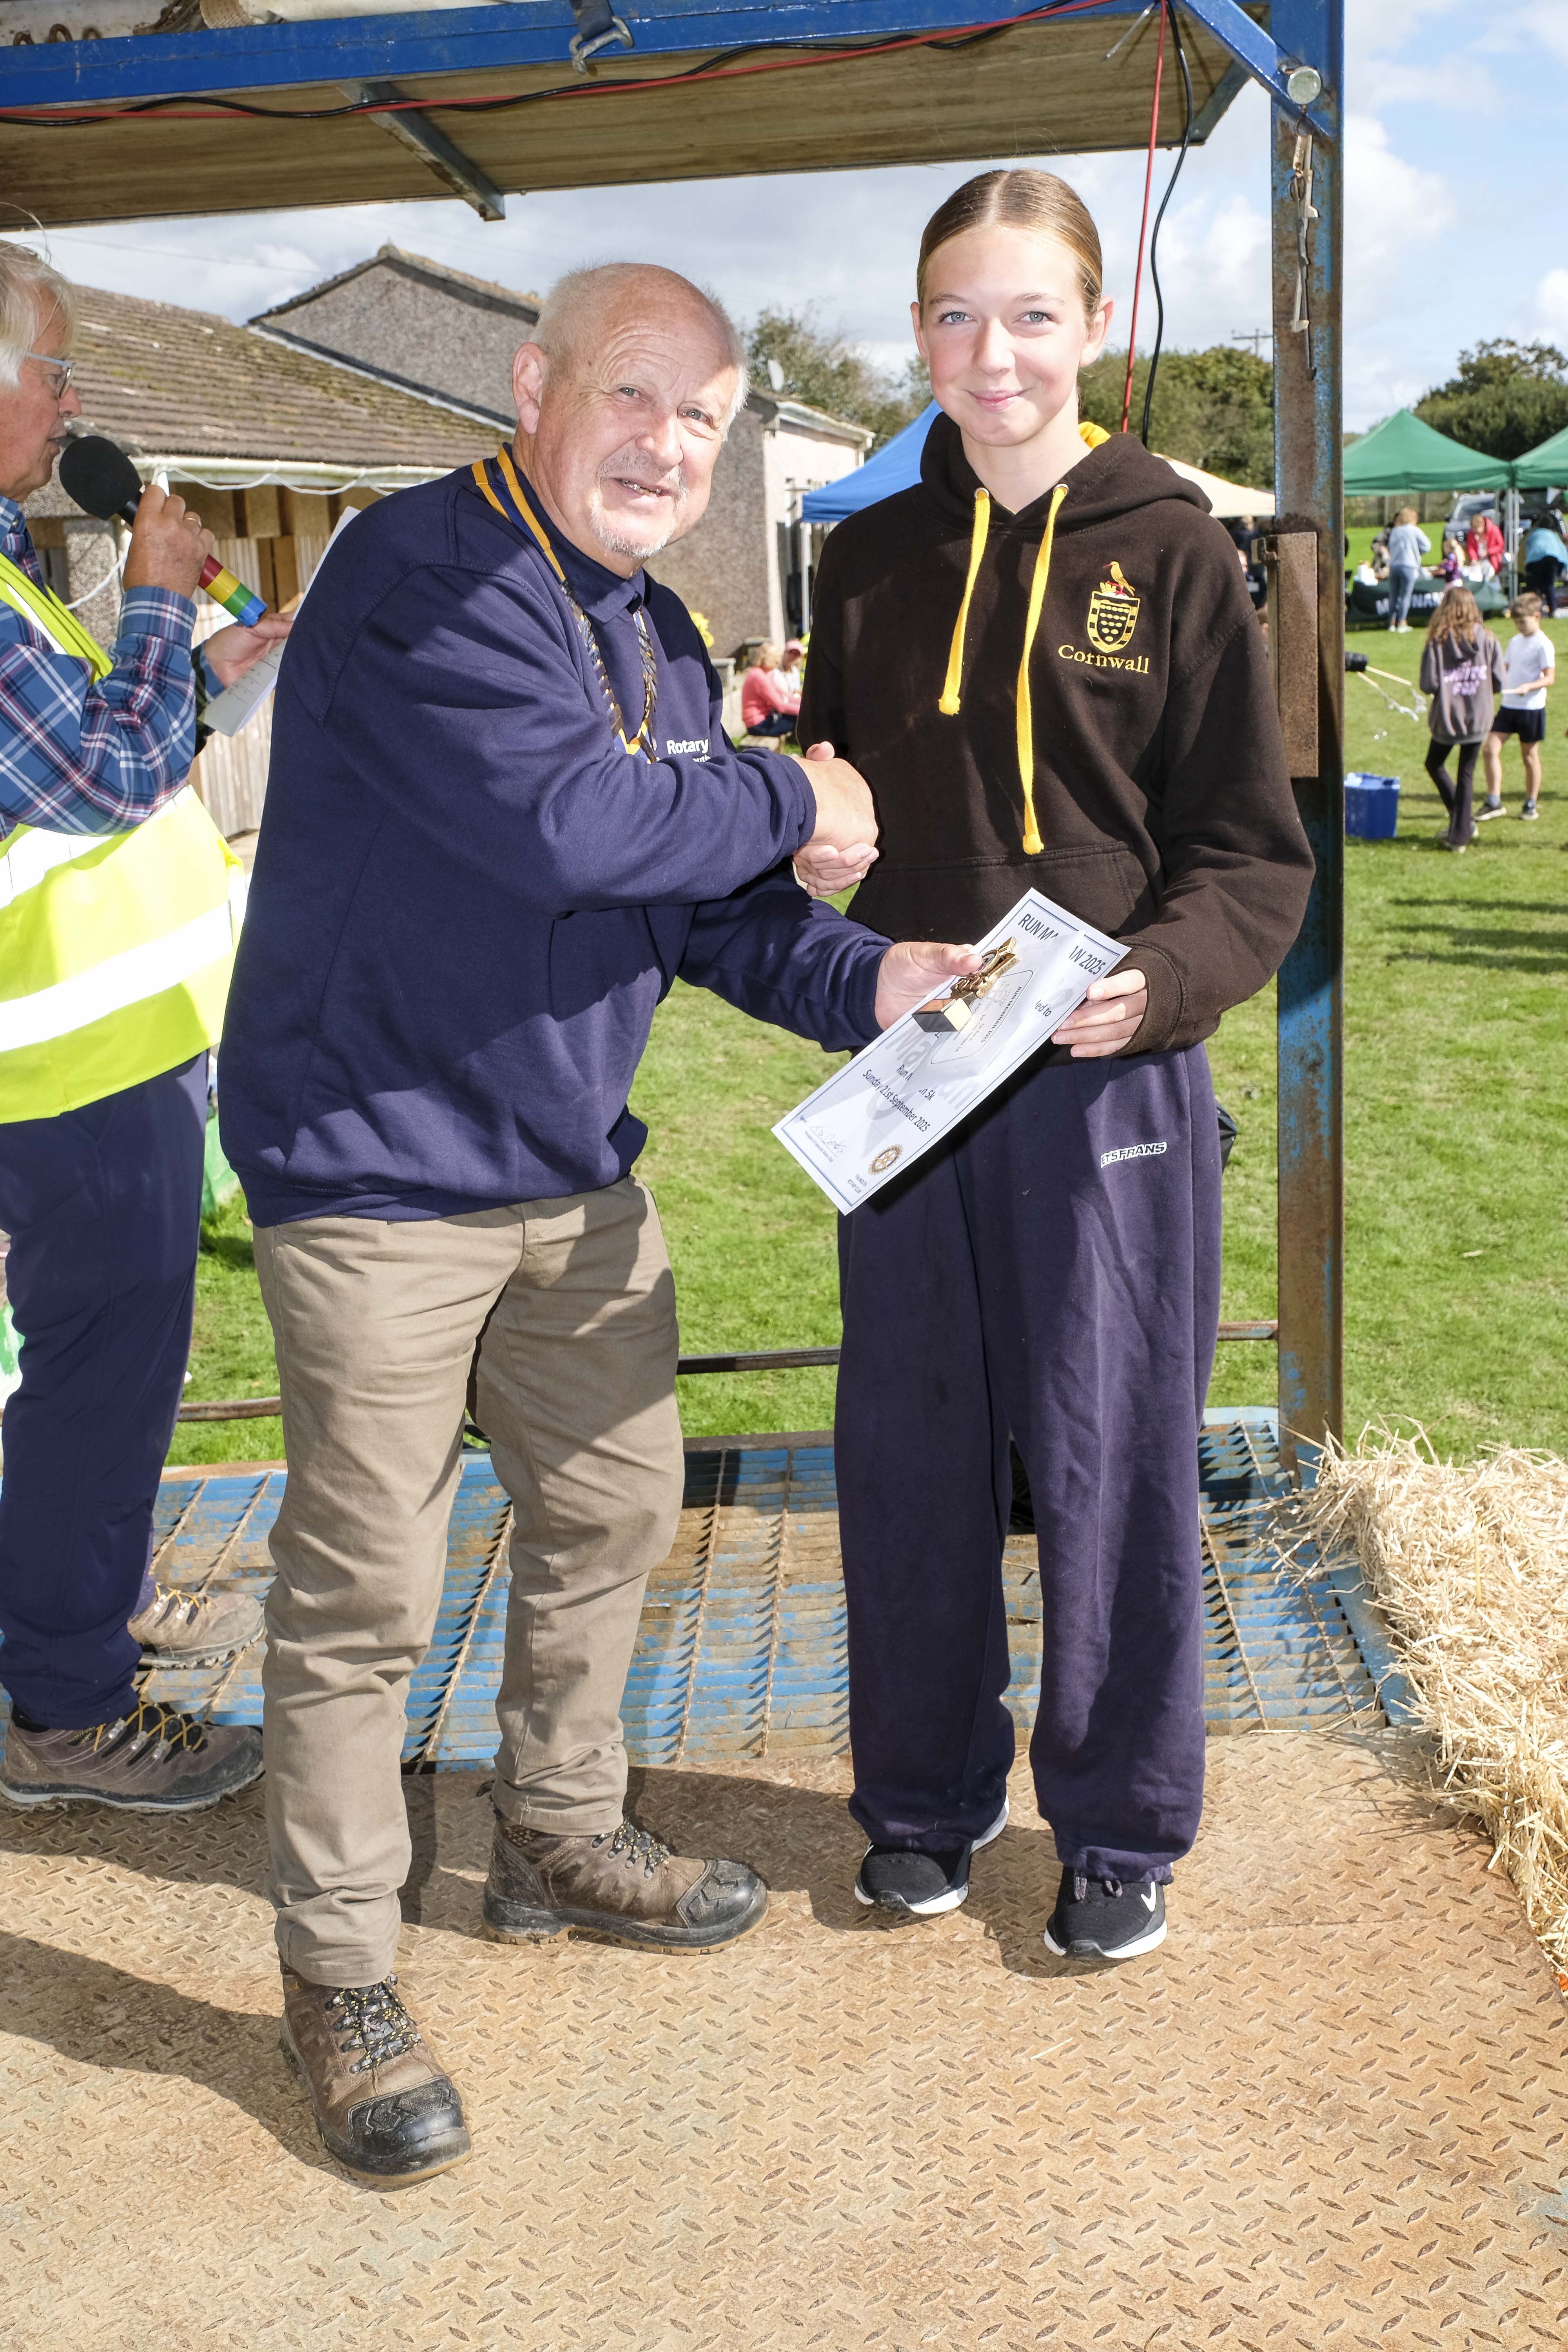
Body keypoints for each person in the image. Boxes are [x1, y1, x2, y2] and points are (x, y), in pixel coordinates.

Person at [218, 260, 969, 2189]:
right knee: (364, 1592)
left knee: (618, 1509)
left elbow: (699, 904)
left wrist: (872, 984)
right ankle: (340, 1973)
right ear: (532, 385)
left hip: (565, 1166)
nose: (665, 444)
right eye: (631, 395)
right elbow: (574, 826)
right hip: (374, 1166)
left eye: (700, 419)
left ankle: (554, 1829)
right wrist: (787, 784)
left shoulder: (656, 631)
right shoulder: (427, 570)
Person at [794, 169, 1312, 1964]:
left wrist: (1156, 985)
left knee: (1109, 1453)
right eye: (955, 314)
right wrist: (810, 842)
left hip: (1108, 1078)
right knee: (907, 1447)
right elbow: (833, 805)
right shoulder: (864, 559)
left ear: (1094, 324)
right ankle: (919, 1797)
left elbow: (1247, 858)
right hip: (919, 1072)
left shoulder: (1172, 550)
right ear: (916, 333)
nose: (991, 351)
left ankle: (1116, 1821)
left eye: (1029, 313)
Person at [0, 247, 287, 1814]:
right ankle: (65, 1709)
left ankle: (85, 1603)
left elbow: (99, 749)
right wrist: (165, 602)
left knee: (105, 1377)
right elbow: (100, 783)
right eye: (54, 372)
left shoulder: (17, 568)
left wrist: (202, 666)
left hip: (117, 1052)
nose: (72, 406)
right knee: (100, 1379)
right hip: (73, 1069)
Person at [1418, 586, 1504, 851]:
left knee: (1435, 764)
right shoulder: (1488, 638)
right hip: (1479, 718)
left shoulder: (1437, 641)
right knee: (1465, 773)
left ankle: (1460, 834)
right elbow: (1499, 681)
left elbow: (1429, 683)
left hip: (1448, 718)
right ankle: (1463, 824)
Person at [1480, 591, 1556, 820]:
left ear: (1537, 617)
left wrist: (1529, 687)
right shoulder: (1516, 641)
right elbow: (1504, 669)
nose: (1519, 627)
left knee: (1529, 757)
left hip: (1531, 708)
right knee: (1489, 749)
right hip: (1509, 706)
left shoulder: (1543, 644)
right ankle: (1494, 801)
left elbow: (1550, 678)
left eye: (1523, 622)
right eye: (1516, 623)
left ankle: (1530, 803)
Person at [739, 639, 801, 737]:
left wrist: (803, 703)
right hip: (758, 726)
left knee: (795, 716)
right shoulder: (758, 677)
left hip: (766, 720)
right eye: (777, 658)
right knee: (797, 719)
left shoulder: (765, 674)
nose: (779, 662)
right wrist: (804, 710)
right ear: (768, 659)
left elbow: (784, 694)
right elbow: (780, 706)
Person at [1386, 507, 1430, 633]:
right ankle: (1401, 622)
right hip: (1409, 565)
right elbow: (1427, 546)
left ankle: (1391, 623)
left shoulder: (1395, 531)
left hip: (1394, 565)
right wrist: (1418, 552)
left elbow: (1390, 547)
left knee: (1394, 595)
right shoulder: (1414, 530)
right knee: (1405, 595)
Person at [1522, 513, 1568, 617]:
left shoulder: (1534, 534)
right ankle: (1553, 610)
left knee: (1535, 587)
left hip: (1535, 560)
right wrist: (1564, 568)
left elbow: (1528, 549)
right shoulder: (1554, 535)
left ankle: (1536, 611)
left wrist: (1526, 566)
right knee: (1549, 585)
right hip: (1553, 559)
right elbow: (1562, 550)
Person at [1465, 508, 1504, 580]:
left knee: (1489, 574)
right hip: (1478, 561)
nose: (1476, 534)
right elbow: (1471, 548)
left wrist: (1488, 552)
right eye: (1474, 531)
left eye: (1478, 531)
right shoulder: (1471, 534)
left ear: (1483, 525)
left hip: (1492, 560)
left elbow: (1500, 546)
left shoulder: (1494, 530)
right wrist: (1474, 560)